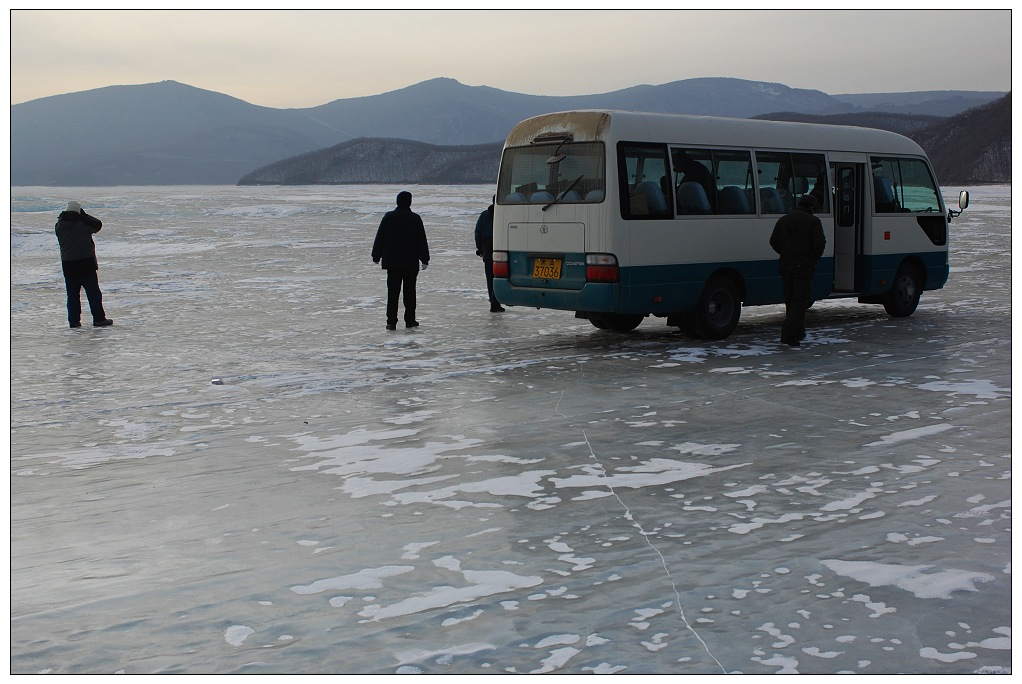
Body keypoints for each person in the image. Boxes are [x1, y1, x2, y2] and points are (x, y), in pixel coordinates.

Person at [769, 194, 826, 346]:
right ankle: (788, 336)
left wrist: (786, 253)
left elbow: (773, 241)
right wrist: (811, 259)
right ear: (812, 207)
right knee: (800, 301)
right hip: (804, 267)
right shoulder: (813, 222)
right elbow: (819, 245)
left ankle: (799, 332)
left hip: (786, 265)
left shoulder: (784, 219)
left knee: (790, 300)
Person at [372, 191, 430, 330]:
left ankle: (391, 322)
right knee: (410, 293)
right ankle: (410, 320)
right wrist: (424, 259)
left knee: (393, 294)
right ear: (409, 202)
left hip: (392, 263)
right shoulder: (415, 219)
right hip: (410, 264)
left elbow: (380, 237)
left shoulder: (389, 217)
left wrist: (376, 255)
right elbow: (421, 240)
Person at [55, 201, 113, 329]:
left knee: (72, 295)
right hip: (85, 263)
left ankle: (74, 322)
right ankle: (99, 319)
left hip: (68, 264)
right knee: (93, 294)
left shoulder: (59, 226)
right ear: (78, 212)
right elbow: (98, 225)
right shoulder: (82, 224)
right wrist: (84, 216)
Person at [474, 196, 504, 312]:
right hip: (500, 246)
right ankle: (495, 302)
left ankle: (493, 302)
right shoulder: (502, 215)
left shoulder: (484, 215)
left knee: (490, 276)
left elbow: (478, 232)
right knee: (499, 276)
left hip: (487, 248)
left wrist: (480, 248)